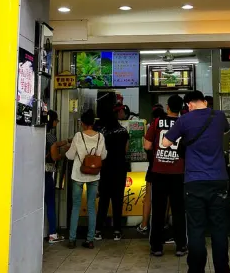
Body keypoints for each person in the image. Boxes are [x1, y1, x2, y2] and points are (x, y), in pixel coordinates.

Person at [163, 90, 230, 273]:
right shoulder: (219, 116)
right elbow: (225, 132)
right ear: (204, 101)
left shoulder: (184, 120)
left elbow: (165, 143)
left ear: (189, 105)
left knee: (196, 229)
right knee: (219, 229)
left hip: (194, 181)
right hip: (218, 179)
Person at [145, 95, 186, 257]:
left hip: (159, 171)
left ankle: (156, 246)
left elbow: (147, 145)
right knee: (178, 210)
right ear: (181, 108)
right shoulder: (184, 123)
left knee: (158, 210)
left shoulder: (156, 122)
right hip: (178, 172)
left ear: (167, 107)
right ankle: (181, 245)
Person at [65, 108, 107, 249]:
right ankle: (90, 240)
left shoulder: (78, 136)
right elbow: (104, 155)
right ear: (93, 122)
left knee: (76, 206)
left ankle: (72, 240)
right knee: (91, 207)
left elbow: (71, 155)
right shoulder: (100, 137)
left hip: (78, 174)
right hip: (94, 175)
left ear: (82, 123)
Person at [94, 105, 130, 241]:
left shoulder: (103, 132)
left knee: (103, 200)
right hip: (120, 169)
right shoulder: (123, 131)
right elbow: (126, 150)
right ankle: (117, 231)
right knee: (117, 200)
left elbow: (99, 151)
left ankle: (98, 230)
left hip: (105, 169)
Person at [137, 104, 165, 235]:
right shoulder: (171, 126)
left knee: (148, 196)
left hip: (153, 165)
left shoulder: (151, 126)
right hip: (167, 166)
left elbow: (146, 146)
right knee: (166, 197)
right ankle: (164, 223)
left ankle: (144, 225)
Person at [45, 110, 68, 244]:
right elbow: (54, 156)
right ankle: (53, 234)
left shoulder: (40, 133)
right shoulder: (50, 136)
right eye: (56, 120)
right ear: (52, 121)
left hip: (34, 173)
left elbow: (53, 145)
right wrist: (63, 153)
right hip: (46, 173)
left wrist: (65, 141)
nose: (57, 123)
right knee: (50, 203)